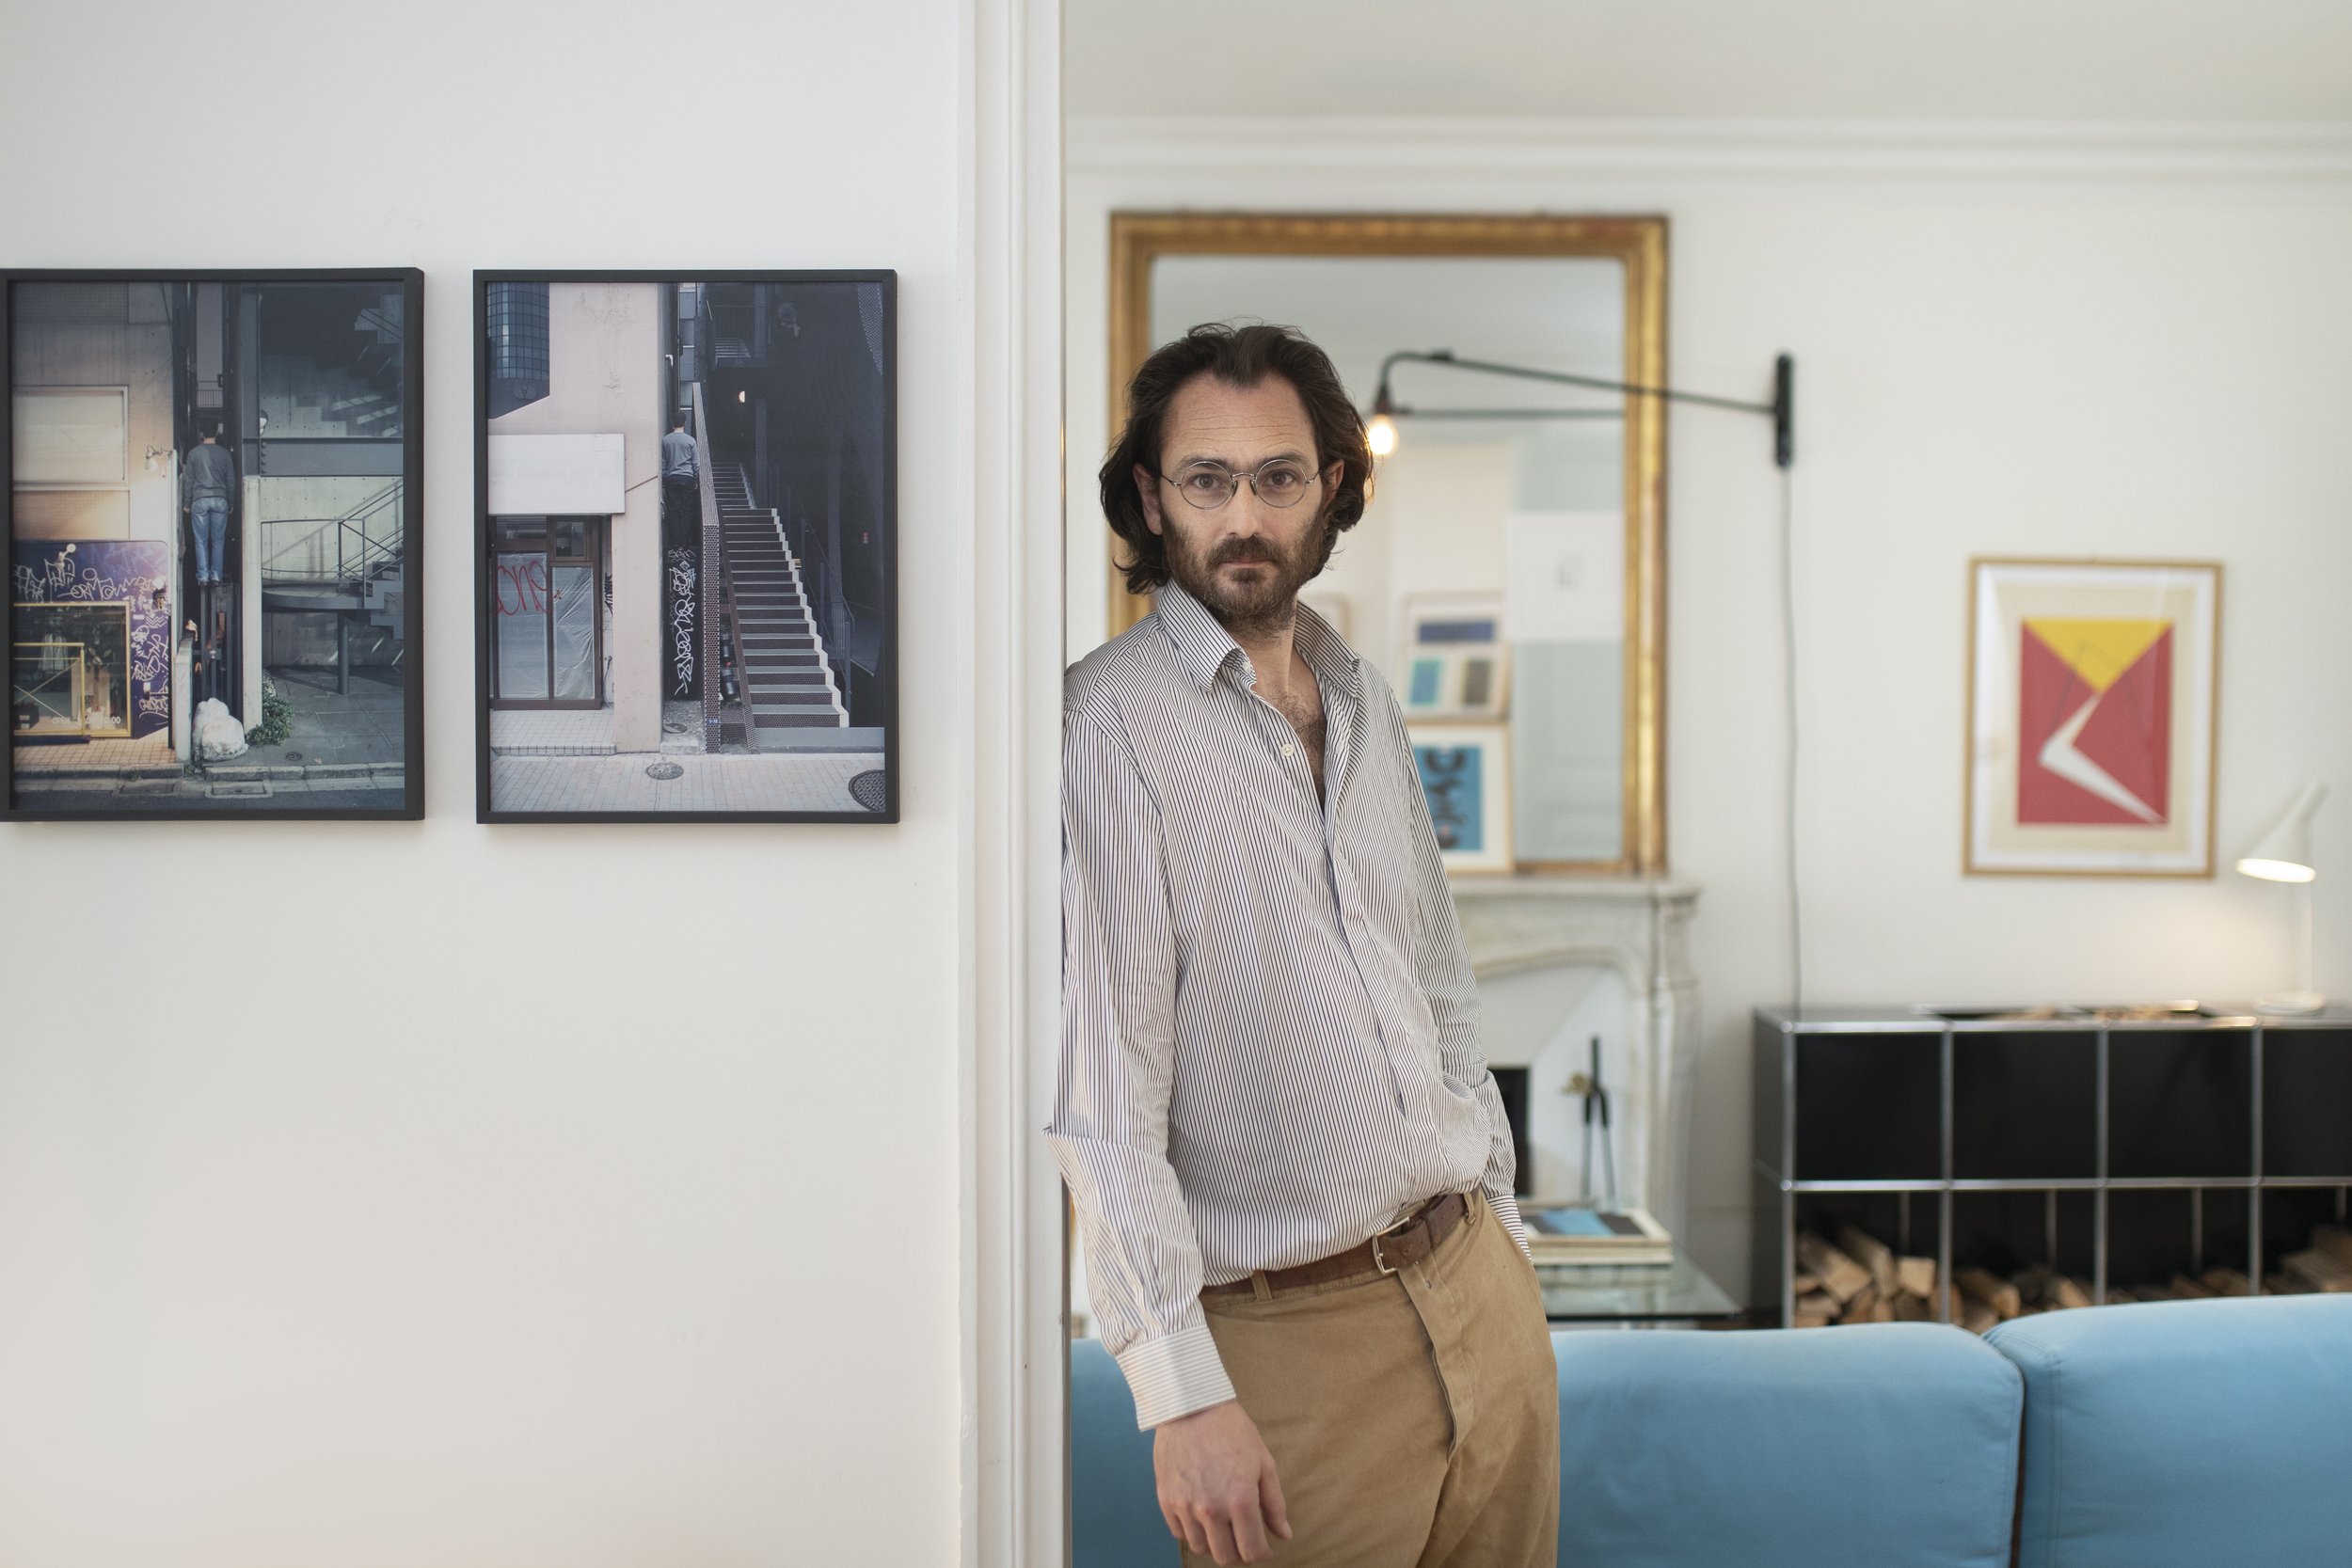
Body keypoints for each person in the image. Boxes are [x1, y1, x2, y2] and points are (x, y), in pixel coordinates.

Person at [1051, 323, 1559, 1568]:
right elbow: (1103, 1098)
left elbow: (1436, 984)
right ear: (1149, 497)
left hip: (1481, 1298)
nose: (1243, 516)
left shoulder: (1369, 698)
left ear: (1332, 488)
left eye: (1278, 477)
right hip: (1288, 1349)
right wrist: (1179, 1389)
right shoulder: (1098, 729)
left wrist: (1501, 1220)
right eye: (1206, 480)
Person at [184, 425, 236, 584]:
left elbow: (188, 481)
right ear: (216, 433)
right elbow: (231, 481)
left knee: (200, 540)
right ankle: (215, 575)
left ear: (201, 433)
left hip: (199, 500)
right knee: (218, 540)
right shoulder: (225, 453)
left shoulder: (193, 453)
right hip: (220, 500)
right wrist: (231, 501)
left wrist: (187, 502)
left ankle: (203, 576)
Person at [660, 412, 700, 550]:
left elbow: (663, 462)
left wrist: (664, 478)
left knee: (673, 510)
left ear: (673, 423)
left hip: (672, 477)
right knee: (686, 510)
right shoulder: (690, 441)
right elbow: (696, 463)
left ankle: (675, 542)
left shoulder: (666, 440)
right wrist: (695, 479)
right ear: (684, 423)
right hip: (688, 477)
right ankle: (685, 542)